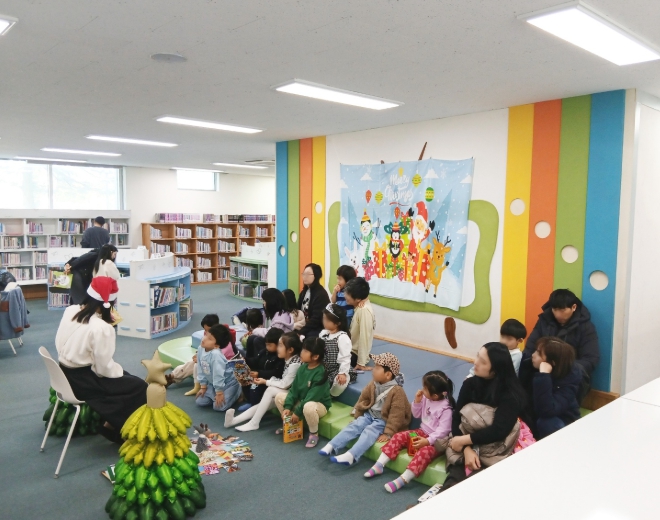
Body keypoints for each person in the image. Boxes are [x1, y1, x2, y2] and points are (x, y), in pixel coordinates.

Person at [55, 276, 147, 443]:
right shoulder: (101, 328)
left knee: (127, 379)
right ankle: (119, 430)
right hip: (83, 383)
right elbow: (103, 368)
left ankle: (110, 423)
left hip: (64, 374)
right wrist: (119, 372)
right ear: (108, 303)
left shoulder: (71, 310)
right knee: (140, 386)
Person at [440, 342, 527, 492]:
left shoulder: (510, 394)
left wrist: (463, 441)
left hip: (496, 446)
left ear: (496, 370)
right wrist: (466, 449)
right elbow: (456, 418)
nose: (476, 362)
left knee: (482, 485)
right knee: (453, 480)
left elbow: (499, 431)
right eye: (477, 356)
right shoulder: (470, 384)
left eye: (483, 361)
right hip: (467, 440)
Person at [366, 370, 455, 493]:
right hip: (421, 432)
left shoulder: (446, 410)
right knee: (399, 436)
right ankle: (379, 465)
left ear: (435, 395)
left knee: (424, 452)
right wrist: (417, 401)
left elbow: (443, 432)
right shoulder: (426, 398)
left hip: (436, 442)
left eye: (425, 388)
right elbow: (416, 414)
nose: (422, 389)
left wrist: (427, 441)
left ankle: (403, 479)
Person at [319, 353, 411, 466]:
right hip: (369, 415)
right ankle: (332, 445)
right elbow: (363, 399)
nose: (373, 370)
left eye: (377, 368)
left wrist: (388, 433)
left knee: (369, 432)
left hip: (382, 420)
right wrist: (358, 416)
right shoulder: (373, 384)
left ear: (388, 375)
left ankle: (352, 455)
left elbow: (396, 415)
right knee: (354, 426)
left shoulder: (397, 391)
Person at [225, 332, 302, 432]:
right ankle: (233, 421)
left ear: (290, 350)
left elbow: (285, 384)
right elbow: (284, 381)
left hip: (295, 394)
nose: (277, 348)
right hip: (289, 391)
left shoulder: (294, 364)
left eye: (280, 345)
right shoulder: (289, 360)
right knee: (262, 404)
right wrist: (266, 380)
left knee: (270, 390)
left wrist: (265, 381)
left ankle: (254, 423)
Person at [523, 289, 599, 382]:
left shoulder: (586, 327)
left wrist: (559, 368)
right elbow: (530, 347)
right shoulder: (544, 321)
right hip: (540, 371)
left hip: (570, 376)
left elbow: (590, 359)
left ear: (574, 307)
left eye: (562, 310)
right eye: (555, 310)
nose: (558, 314)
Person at [519, 337, 581, 439]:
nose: (533, 355)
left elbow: (546, 411)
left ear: (552, 363)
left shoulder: (568, 381)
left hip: (561, 422)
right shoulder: (528, 366)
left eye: (539, 354)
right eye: (535, 350)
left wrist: (544, 376)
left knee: (546, 423)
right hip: (535, 417)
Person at [275, 337, 332, 448]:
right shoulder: (302, 368)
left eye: (306, 351)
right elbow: (294, 390)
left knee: (308, 406)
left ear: (315, 356)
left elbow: (312, 397)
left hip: (319, 405)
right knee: (279, 397)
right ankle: (290, 425)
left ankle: (314, 434)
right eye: (302, 349)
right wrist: (287, 407)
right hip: (303, 401)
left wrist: (297, 412)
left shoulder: (320, 372)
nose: (301, 353)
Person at [166, 314, 220, 395]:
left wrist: (201, 358)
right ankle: (172, 377)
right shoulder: (208, 335)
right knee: (191, 363)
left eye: (208, 330)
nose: (206, 333)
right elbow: (203, 348)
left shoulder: (220, 337)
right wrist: (198, 354)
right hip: (206, 358)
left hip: (214, 363)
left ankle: (173, 377)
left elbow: (218, 355)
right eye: (205, 330)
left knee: (195, 364)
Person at [195, 324, 241, 412]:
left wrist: (219, 393)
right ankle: (215, 394)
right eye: (206, 335)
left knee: (219, 407)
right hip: (213, 383)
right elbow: (201, 368)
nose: (204, 339)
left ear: (216, 346)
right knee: (200, 401)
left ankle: (238, 390)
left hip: (228, 383)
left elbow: (218, 375)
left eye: (209, 339)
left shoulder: (216, 355)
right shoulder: (201, 348)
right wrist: (203, 386)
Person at [241, 327, 285, 408]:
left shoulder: (280, 357)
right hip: (259, 376)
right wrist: (246, 360)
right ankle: (249, 401)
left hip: (268, 381)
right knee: (245, 380)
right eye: (266, 344)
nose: (267, 347)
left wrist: (259, 374)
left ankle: (255, 405)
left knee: (255, 388)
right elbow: (255, 361)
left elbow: (276, 373)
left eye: (270, 345)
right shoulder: (264, 352)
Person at [319, 303, 357, 397]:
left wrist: (342, 373)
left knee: (339, 381)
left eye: (327, 320)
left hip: (336, 369)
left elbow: (345, 358)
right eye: (324, 318)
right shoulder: (323, 333)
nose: (324, 321)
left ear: (338, 323)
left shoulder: (342, 337)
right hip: (323, 367)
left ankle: (330, 395)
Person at [345, 277, 376, 371]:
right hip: (349, 348)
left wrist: (361, 363)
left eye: (347, 294)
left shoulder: (364, 310)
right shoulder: (359, 305)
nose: (345, 295)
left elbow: (364, 336)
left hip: (354, 354)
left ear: (358, 298)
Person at [297, 263, 330, 338]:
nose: (305, 277)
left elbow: (316, 319)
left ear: (316, 276)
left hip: (316, 329)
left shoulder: (321, 294)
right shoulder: (304, 292)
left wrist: (301, 332)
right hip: (303, 326)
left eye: (308, 274)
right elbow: (298, 310)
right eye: (304, 274)